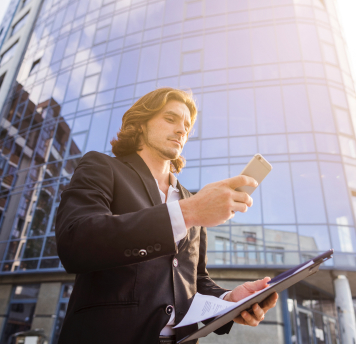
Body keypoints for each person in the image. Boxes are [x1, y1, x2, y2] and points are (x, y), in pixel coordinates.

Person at [55, 87, 278, 344]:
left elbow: (195, 280)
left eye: (186, 124)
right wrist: (189, 212)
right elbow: (76, 240)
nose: (182, 129)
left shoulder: (190, 198)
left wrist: (228, 301)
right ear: (140, 124)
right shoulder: (102, 167)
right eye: (170, 119)